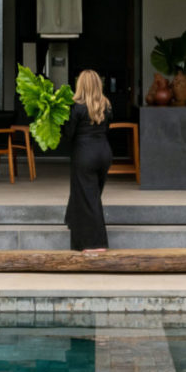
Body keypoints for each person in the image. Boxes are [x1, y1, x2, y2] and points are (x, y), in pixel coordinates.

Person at [61, 70, 113, 252]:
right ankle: (72, 221)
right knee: (91, 196)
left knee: (88, 200)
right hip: (104, 153)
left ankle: (94, 244)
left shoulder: (76, 107)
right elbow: (108, 128)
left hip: (84, 154)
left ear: (80, 85)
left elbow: (69, 134)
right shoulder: (106, 106)